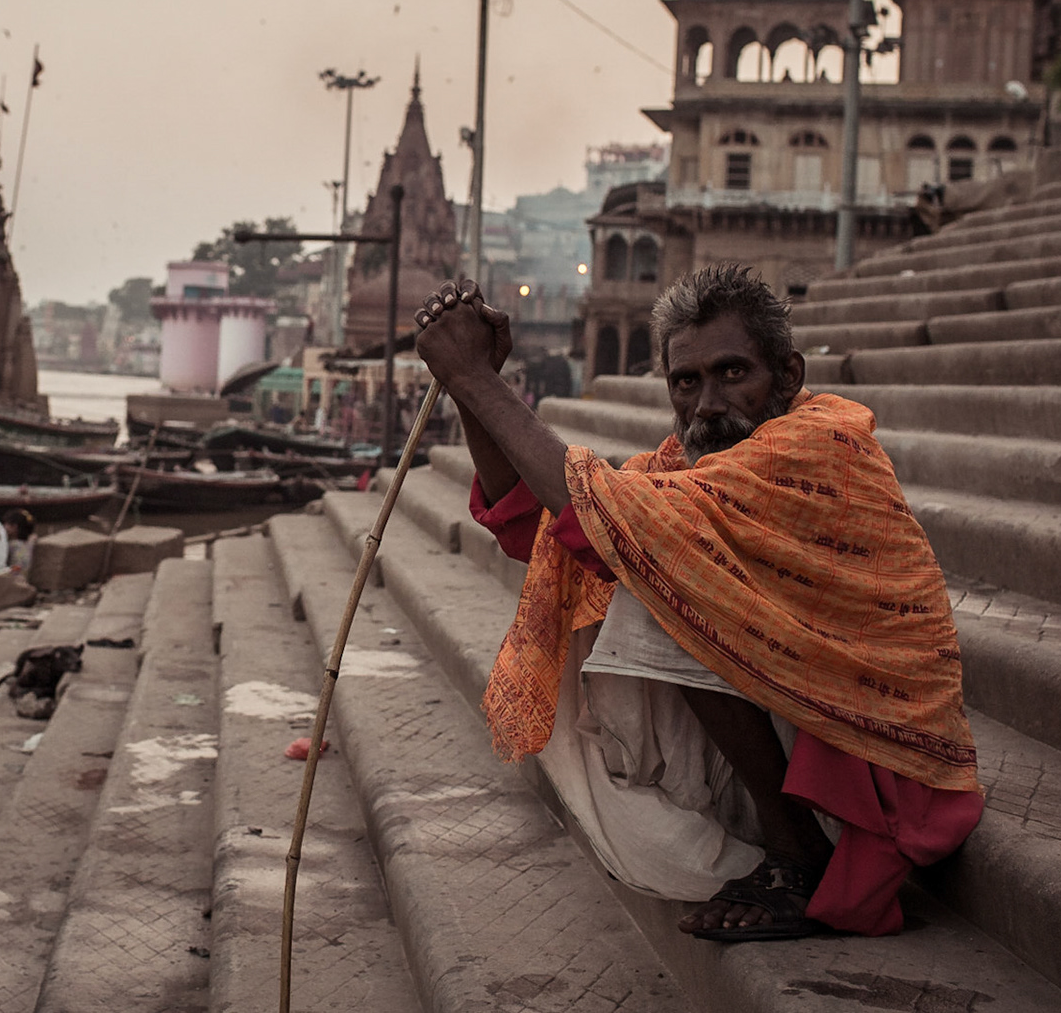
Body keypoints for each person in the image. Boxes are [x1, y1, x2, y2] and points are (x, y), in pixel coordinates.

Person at [412, 267, 981, 942]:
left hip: (882, 781)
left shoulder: (821, 443)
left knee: (667, 572)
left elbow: (610, 521)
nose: (707, 402)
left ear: (789, 377)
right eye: (687, 382)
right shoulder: (684, 468)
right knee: (648, 559)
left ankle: (798, 853)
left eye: (732, 373)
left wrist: (479, 380)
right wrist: (468, 389)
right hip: (805, 745)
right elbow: (540, 526)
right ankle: (779, 839)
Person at [2, 508, 37, 575]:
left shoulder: (13, 546)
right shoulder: (30, 542)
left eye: (6, 524)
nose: (4, 527)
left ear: (14, 527)